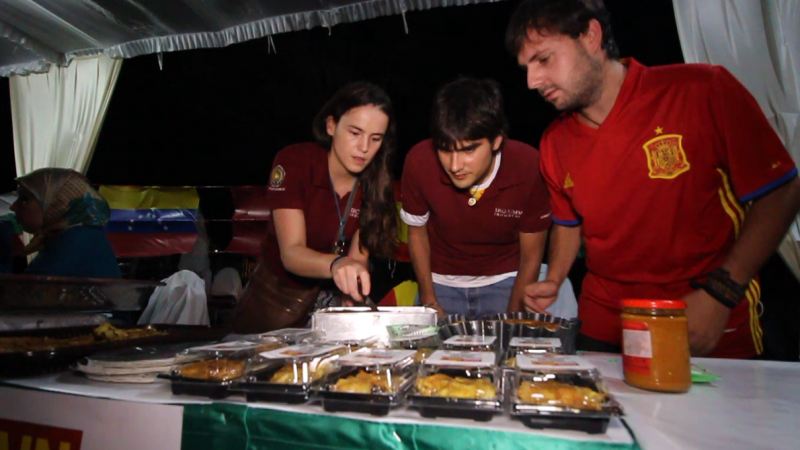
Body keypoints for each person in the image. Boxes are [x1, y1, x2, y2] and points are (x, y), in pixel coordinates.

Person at [506, 0, 800, 357]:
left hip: (702, 314)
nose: (532, 81)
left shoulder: (702, 91)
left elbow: (782, 191)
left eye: (544, 59)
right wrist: (555, 279)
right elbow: (569, 224)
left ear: (591, 37)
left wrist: (722, 292)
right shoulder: (554, 141)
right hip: (605, 322)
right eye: (526, 67)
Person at [401, 77, 573, 319]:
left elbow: (532, 255)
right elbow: (417, 233)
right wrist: (429, 301)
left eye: (469, 149)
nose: (455, 165)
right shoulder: (419, 161)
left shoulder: (528, 166)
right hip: (439, 284)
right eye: (445, 148)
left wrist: (513, 319)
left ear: (496, 141)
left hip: (507, 280)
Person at [232, 82, 398, 332]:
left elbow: (357, 260)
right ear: (331, 125)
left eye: (375, 139)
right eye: (355, 133)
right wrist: (338, 265)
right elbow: (292, 253)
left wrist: (353, 288)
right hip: (278, 301)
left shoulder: (375, 182)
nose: (364, 148)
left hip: (330, 301)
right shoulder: (295, 162)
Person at [9, 168, 121, 279]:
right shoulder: (79, 235)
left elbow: (25, 291)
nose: (13, 207)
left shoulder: (76, 239)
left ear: (59, 202)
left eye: (24, 199)